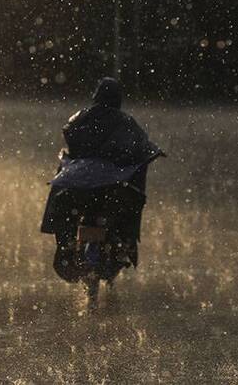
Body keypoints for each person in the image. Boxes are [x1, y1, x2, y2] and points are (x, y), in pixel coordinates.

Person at [41, 77, 163, 288]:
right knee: (132, 204)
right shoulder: (127, 122)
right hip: (112, 186)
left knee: (60, 185)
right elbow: (141, 145)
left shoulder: (81, 118)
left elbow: (69, 133)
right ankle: (127, 244)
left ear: (96, 96)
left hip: (80, 184)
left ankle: (62, 242)